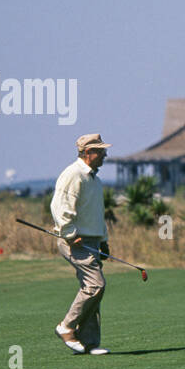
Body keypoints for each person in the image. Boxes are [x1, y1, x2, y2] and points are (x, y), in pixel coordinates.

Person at [51, 133, 112, 355]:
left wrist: (103, 241)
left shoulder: (94, 179)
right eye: (101, 150)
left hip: (92, 240)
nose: (105, 154)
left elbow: (96, 214)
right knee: (96, 285)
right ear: (88, 153)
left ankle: (88, 343)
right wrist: (69, 234)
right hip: (76, 240)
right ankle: (66, 327)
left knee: (92, 290)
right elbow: (60, 207)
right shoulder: (73, 174)